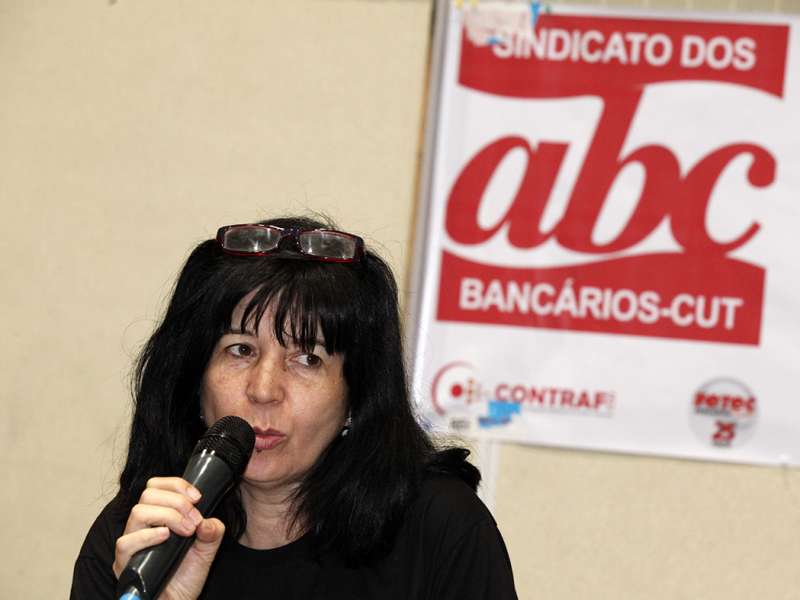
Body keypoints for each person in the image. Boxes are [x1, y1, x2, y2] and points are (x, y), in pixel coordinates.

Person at [70, 215, 518, 599]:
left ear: (356, 396)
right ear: (194, 379)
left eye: (307, 359)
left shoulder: (439, 530)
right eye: (240, 350)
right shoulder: (143, 536)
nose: (264, 389)